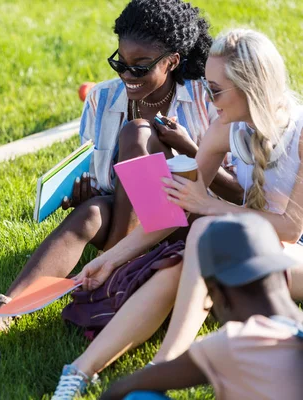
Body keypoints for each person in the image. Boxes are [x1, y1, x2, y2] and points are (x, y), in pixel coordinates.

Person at [0, 0, 241, 353]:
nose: (127, 76)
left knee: (137, 133)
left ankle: (115, 266)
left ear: (172, 61)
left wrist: (190, 148)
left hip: (188, 218)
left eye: (140, 67)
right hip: (127, 219)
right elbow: (104, 183)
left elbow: (239, 194)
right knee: (88, 212)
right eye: (120, 62)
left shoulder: (206, 98)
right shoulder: (102, 99)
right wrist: (83, 192)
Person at [53, 28, 303, 398]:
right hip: (258, 245)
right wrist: (113, 258)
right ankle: (79, 370)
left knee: (203, 235)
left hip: (294, 251)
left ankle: (162, 366)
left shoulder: (298, 132)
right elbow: (176, 208)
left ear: (249, 86)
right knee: (179, 264)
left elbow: (290, 230)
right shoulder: (226, 128)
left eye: (215, 89)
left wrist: (211, 206)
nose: (208, 96)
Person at [100, 213, 303, 400]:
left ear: (217, 296)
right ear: (286, 275)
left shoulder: (235, 344)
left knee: (141, 397)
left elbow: (129, 386)